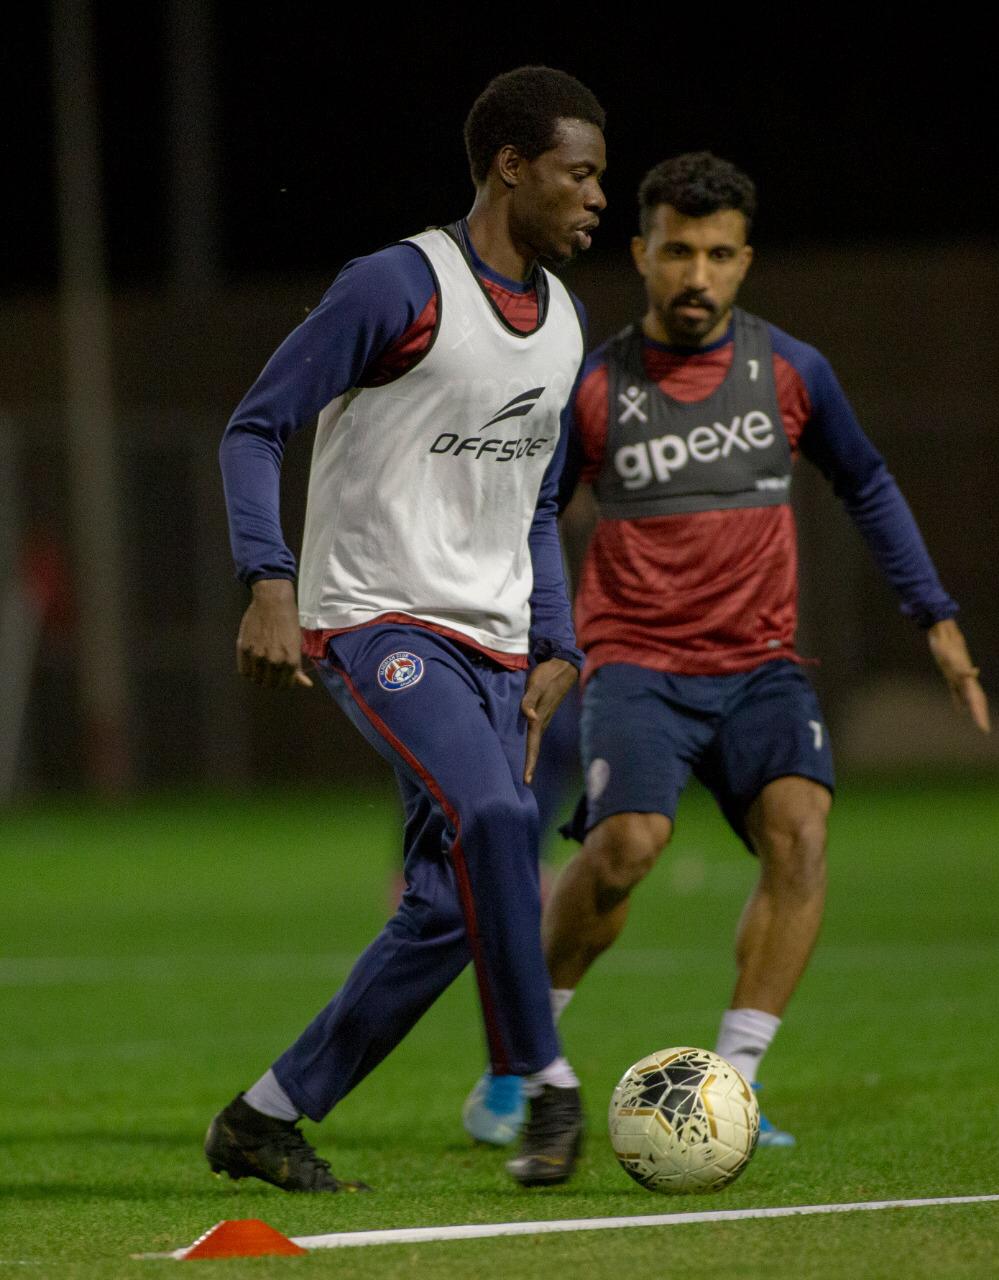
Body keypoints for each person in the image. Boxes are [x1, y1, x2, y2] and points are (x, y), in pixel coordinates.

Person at [463, 151, 989, 1147]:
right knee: (624, 848)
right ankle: (520, 1064)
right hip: (638, 663)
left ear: (744, 262)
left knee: (801, 830)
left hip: (760, 665)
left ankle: (733, 1084)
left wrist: (936, 615)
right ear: (641, 253)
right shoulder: (593, 387)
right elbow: (525, 511)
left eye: (716, 254)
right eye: (675, 252)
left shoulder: (790, 371)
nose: (695, 274)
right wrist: (524, 642)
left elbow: (866, 483)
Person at [204, 65, 607, 1193]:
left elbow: (530, 501)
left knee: (444, 907)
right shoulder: (397, 286)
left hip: (494, 647)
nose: (594, 199)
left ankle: (265, 1113)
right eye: (578, 175)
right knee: (496, 813)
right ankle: (544, 1080)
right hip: (376, 617)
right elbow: (254, 427)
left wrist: (556, 640)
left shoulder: (565, 323)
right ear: (511, 166)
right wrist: (269, 580)